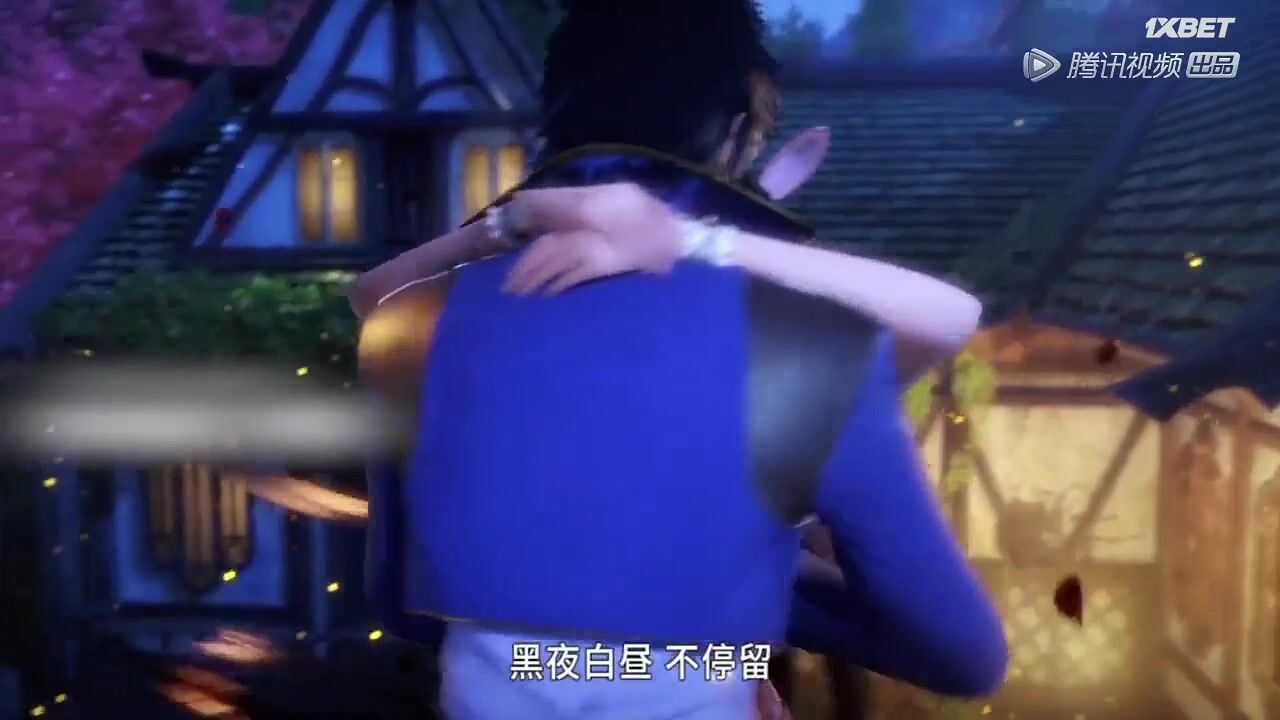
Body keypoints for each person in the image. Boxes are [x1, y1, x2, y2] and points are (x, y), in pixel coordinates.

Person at [354, 2, 1008, 719]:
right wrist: (749, 590)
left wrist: (520, 219)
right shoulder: (813, 342)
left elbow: (402, 603)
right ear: (735, 135)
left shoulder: (409, 329)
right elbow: (963, 656)